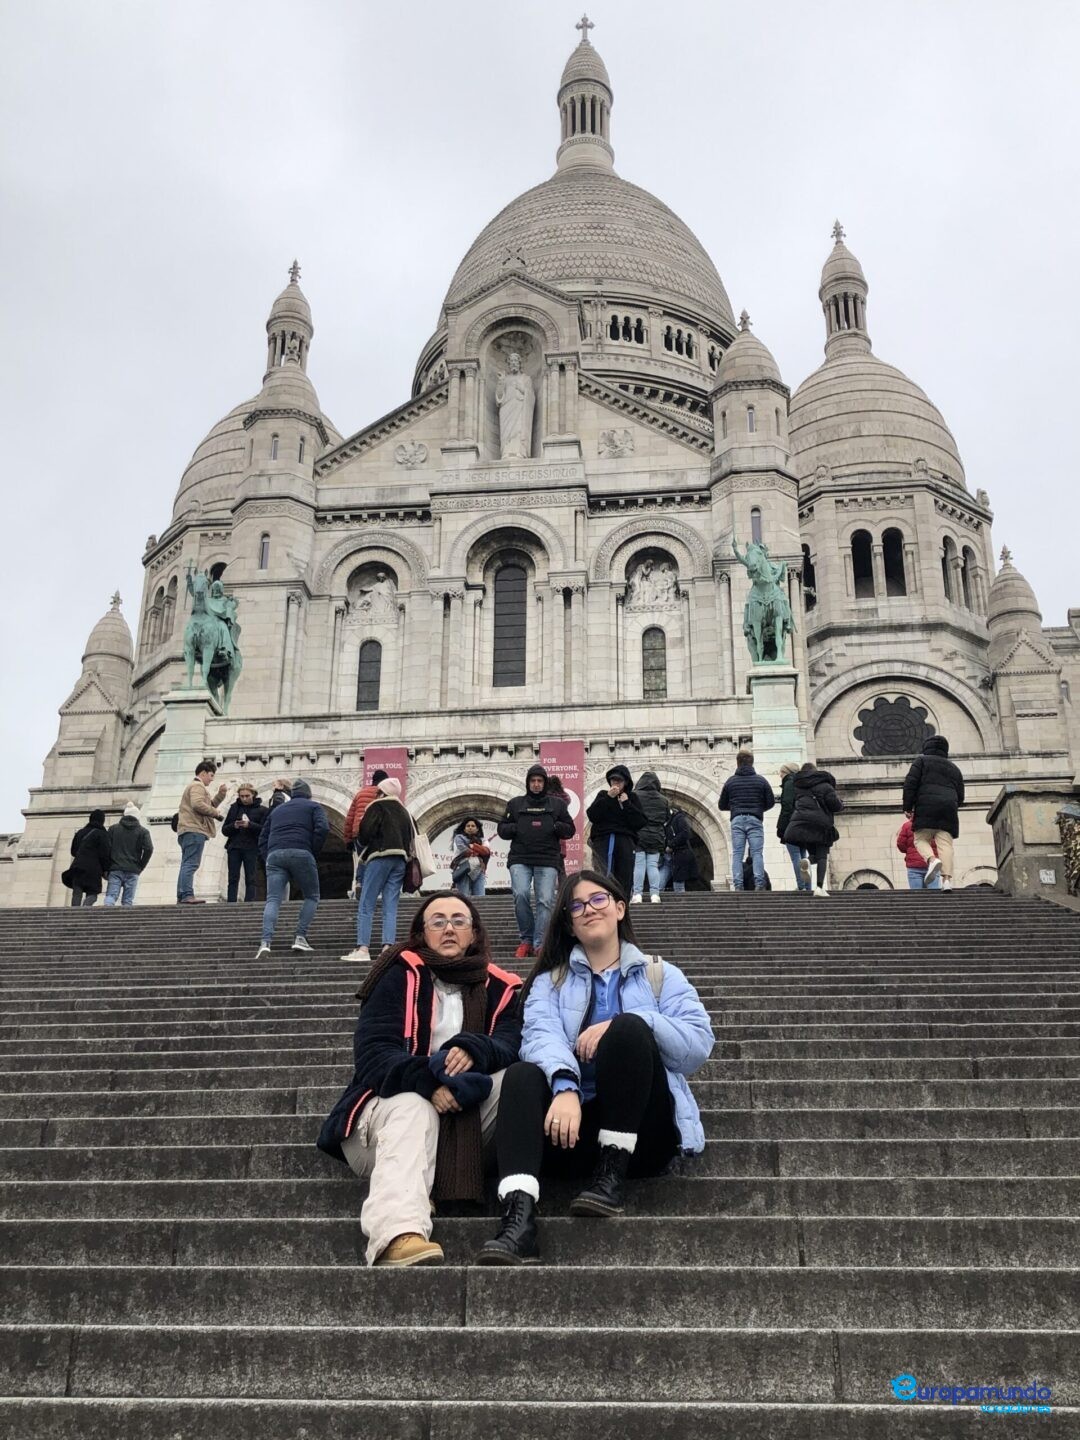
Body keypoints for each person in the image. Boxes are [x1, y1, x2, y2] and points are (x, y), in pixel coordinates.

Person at [476, 870, 714, 1265]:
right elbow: (538, 1037)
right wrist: (566, 1086)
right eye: (576, 905)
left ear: (620, 908)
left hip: (643, 1138)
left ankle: (611, 1174)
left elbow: (698, 1045)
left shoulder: (660, 975)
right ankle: (518, 1220)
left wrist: (637, 1022)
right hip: (569, 1131)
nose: (588, 909)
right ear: (568, 924)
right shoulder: (549, 982)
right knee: (522, 1074)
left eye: (598, 900)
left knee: (629, 1029)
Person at [317, 891, 522, 1267]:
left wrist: (474, 1050)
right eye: (437, 921)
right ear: (422, 933)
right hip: (386, 1119)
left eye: (459, 921)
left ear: (474, 933)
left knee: (523, 1077)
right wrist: (431, 1085)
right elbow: (374, 1054)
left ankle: (523, 1199)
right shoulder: (396, 973)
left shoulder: (502, 987)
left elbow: (510, 1043)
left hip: (468, 1114)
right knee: (414, 1105)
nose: (448, 929)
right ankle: (397, 1233)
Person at [499, 764, 575, 961]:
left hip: (547, 859)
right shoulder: (515, 804)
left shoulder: (557, 805)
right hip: (520, 858)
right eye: (532, 781)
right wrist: (516, 828)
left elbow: (570, 828)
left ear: (545, 783)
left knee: (545, 901)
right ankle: (526, 939)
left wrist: (557, 827)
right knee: (521, 895)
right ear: (527, 783)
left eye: (539, 781)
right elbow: (502, 829)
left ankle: (539, 943)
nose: (536, 784)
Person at [342, 777, 414, 963]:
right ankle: (387, 948)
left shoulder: (376, 807)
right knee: (390, 905)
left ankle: (363, 948)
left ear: (381, 792)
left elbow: (364, 834)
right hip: (400, 861)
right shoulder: (404, 811)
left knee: (367, 903)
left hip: (379, 856)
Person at [256, 779, 327, 957]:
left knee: (272, 899)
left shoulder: (277, 810)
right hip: (301, 851)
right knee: (312, 896)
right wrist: (312, 849)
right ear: (308, 794)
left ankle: (265, 942)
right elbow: (323, 828)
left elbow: (262, 837)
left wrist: (268, 856)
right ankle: (300, 937)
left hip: (275, 855)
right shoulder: (313, 806)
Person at [902, 735, 965, 891]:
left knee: (920, 839)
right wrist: (952, 805)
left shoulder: (921, 762)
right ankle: (946, 881)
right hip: (948, 809)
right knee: (946, 845)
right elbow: (961, 795)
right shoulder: (954, 768)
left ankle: (931, 860)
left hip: (926, 807)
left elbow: (910, 784)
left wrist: (908, 806)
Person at [782, 762, 844, 898]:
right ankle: (819, 887)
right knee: (822, 856)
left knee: (814, 854)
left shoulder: (798, 787)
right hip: (821, 824)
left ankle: (808, 861)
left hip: (801, 825)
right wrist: (841, 803)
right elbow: (835, 805)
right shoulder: (825, 786)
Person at [718, 750, 774, 891]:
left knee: (737, 853)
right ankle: (760, 883)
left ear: (737, 763)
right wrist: (759, 809)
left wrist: (735, 807)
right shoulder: (761, 780)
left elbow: (721, 805)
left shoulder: (731, 781)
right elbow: (771, 802)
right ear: (752, 762)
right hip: (755, 819)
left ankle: (738, 884)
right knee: (756, 853)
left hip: (737, 819)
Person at [586, 765, 645, 900]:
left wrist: (627, 803)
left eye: (619, 780)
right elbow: (592, 815)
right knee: (603, 875)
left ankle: (622, 905)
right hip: (603, 840)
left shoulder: (632, 798)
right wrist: (608, 798)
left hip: (625, 841)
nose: (616, 783)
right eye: (613, 780)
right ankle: (604, 902)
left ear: (626, 782)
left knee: (624, 877)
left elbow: (640, 821)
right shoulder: (602, 795)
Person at [176, 760, 228, 904]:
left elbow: (206, 805)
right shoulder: (197, 786)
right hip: (194, 829)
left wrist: (221, 795)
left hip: (187, 830)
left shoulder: (194, 786)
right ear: (203, 773)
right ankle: (187, 894)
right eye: (211, 775)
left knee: (186, 863)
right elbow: (198, 804)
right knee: (191, 864)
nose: (212, 779)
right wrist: (216, 813)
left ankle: (182, 895)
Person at [343, 768, 388, 897]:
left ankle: (359, 882)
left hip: (359, 832)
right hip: (378, 832)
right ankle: (375, 888)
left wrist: (348, 839)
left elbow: (350, 817)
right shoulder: (384, 794)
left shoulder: (360, 794)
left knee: (363, 858)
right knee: (377, 860)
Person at [630, 770, 671, 904]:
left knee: (639, 865)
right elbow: (666, 818)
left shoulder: (635, 796)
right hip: (656, 836)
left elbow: (631, 814)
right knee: (653, 866)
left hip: (639, 835)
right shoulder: (664, 800)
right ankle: (655, 895)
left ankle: (637, 894)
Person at [222, 784, 266, 902]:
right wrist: (234, 825)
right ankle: (231, 902)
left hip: (251, 847)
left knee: (251, 877)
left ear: (253, 795)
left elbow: (265, 830)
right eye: (242, 796)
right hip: (234, 847)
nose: (244, 799)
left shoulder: (262, 810)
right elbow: (224, 830)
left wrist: (250, 825)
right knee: (233, 877)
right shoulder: (234, 808)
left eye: (247, 796)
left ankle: (249, 902)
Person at [103, 803, 153, 907]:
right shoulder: (143, 831)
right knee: (128, 900)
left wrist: (107, 867)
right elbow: (149, 849)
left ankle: (106, 917)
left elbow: (106, 848)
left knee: (111, 896)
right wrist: (140, 866)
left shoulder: (113, 829)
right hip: (133, 869)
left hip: (115, 868)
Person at [63, 810, 111, 907]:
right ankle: (86, 908)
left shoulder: (80, 832)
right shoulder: (102, 834)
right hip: (94, 868)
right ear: (102, 821)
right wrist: (106, 869)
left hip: (78, 866)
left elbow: (73, 851)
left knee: (77, 892)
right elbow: (104, 854)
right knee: (93, 893)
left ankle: (74, 913)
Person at [776, 761, 811, 893]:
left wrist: (781, 827)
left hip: (792, 824)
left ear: (787, 773)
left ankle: (801, 885)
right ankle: (808, 887)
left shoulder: (789, 783)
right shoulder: (802, 784)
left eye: (781, 772)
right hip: (804, 823)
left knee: (795, 856)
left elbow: (787, 806)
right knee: (803, 857)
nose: (780, 775)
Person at [897, 817, 941, 890]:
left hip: (914, 866)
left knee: (916, 896)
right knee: (934, 895)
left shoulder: (907, 826)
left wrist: (910, 852)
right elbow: (940, 844)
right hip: (932, 865)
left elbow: (900, 844)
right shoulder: (935, 825)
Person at [451, 818, 491, 897]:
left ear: (477, 829)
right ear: (464, 829)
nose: (470, 827)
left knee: (480, 896)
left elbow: (486, 852)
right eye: (468, 826)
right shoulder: (459, 838)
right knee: (464, 897)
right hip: (464, 869)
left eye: (473, 826)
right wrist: (478, 849)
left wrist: (473, 846)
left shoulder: (483, 840)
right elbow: (463, 849)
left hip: (479, 869)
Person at [665, 808, 699, 893]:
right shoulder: (670, 822)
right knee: (677, 881)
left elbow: (685, 833)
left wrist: (670, 845)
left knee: (679, 882)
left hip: (681, 854)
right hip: (676, 855)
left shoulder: (678, 818)